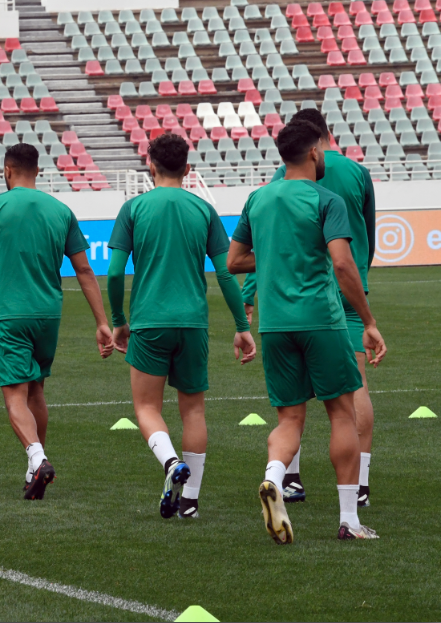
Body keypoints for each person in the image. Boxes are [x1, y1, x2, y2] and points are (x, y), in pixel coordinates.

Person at [228, 120, 386, 543]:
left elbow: (234, 261)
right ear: (317, 151)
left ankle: (274, 480)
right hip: (322, 319)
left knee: (289, 418)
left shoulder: (257, 199)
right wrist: (368, 321)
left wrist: (277, 256)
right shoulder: (326, 199)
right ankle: (350, 520)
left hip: (275, 325)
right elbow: (342, 262)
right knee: (341, 413)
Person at [0, 143, 115, 500]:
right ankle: (33, 467)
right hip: (49, 314)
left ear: (7, 170)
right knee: (36, 388)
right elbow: (83, 269)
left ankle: (37, 458)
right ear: (37, 171)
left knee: (14, 396)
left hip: (10, 313)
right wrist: (101, 321)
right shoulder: (61, 210)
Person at [106, 134, 256, 520]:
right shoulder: (204, 210)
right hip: (193, 324)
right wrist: (242, 325)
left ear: (150, 166)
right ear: (188, 170)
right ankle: (189, 501)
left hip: (150, 321)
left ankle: (171, 463)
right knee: (193, 411)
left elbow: (114, 272)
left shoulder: (133, 208)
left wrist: (119, 321)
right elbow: (225, 273)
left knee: (146, 407)